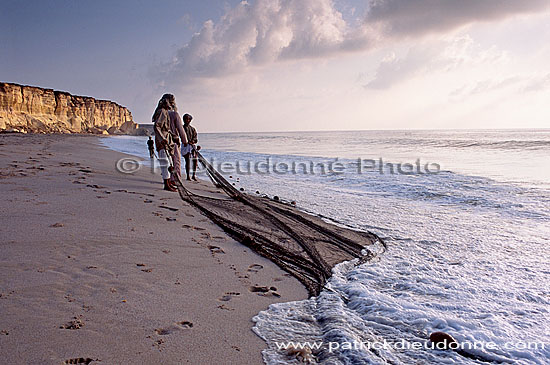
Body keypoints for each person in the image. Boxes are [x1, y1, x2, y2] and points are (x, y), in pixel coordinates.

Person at [152, 94, 178, 192]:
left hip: (165, 139)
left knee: (167, 161)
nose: (172, 104)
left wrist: (173, 136)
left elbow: (166, 128)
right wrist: (162, 138)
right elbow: (157, 126)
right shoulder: (162, 112)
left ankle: (168, 182)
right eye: (171, 102)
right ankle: (166, 184)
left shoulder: (165, 112)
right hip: (162, 140)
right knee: (165, 162)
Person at [167, 98, 187, 184]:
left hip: (163, 140)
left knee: (167, 161)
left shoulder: (160, 114)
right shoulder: (174, 114)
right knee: (176, 161)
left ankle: (167, 179)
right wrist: (184, 141)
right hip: (173, 140)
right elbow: (180, 129)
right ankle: (175, 179)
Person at [182, 113, 198, 181]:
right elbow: (181, 136)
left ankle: (194, 175)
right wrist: (187, 142)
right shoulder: (181, 128)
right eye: (185, 119)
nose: (187, 120)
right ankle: (188, 176)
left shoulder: (193, 129)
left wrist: (193, 141)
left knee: (195, 161)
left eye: (188, 119)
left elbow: (195, 138)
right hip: (185, 146)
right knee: (187, 161)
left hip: (192, 146)